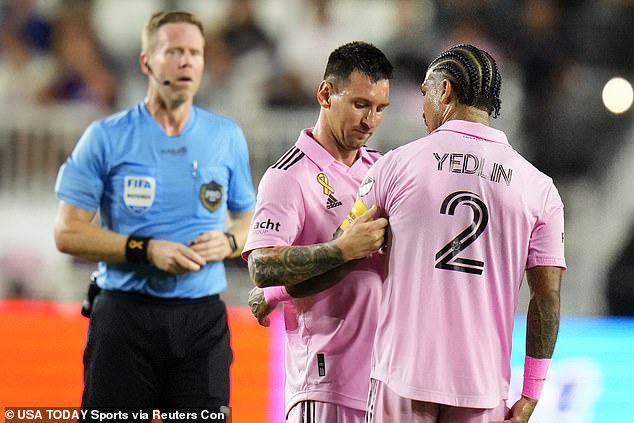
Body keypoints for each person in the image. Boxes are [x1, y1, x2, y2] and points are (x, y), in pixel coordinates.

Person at [346, 44, 565, 423]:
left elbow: (342, 247)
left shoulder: (394, 165)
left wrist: (277, 290)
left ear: (444, 91)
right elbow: (546, 298)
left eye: (424, 93)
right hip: (482, 390)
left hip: (401, 378)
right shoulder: (539, 188)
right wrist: (531, 394)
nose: (422, 109)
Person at [53, 10, 256, 420]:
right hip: (125, 317)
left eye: (195, 53)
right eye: (174, 51)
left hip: (203, 319)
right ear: (146, 61)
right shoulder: (107, 136)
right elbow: (67, 232)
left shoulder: (226, 136)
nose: (186, 62)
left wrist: (230, 241)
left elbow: (250, 220)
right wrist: (145, 249)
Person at [242, 41, 392, 422]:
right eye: (360, 104)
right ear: (326, 94)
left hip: (386, 384)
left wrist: (276, 293)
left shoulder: (382, 170)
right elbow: (262, 267)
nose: (370, 121)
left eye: (379, 109)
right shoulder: (288, 176)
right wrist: (342, 250)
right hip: (325, 385)